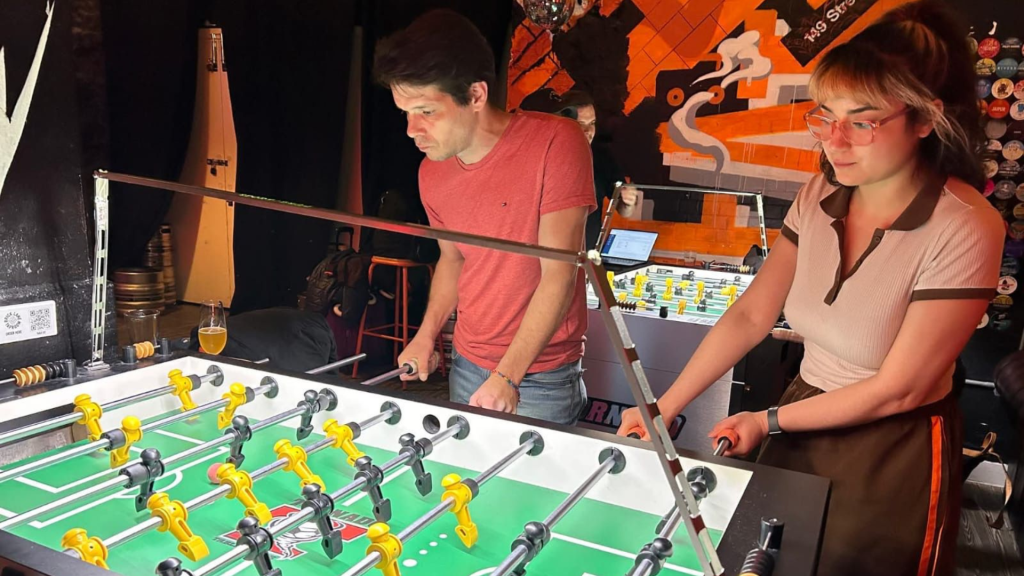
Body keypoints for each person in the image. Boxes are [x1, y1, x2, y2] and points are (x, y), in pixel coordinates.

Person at [617, 1, 1002, 574]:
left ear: (925, 119)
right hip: (801, 411)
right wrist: (664, 405)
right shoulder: (818, 195)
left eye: (862, 122)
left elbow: (897, 390)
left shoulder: (965, 225)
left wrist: (766, 421)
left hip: (891, 450)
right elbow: (752, 313)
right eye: (824, 116)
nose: (833, 141)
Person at [374, 9, 596, 425]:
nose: (411, 129)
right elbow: (453, 259)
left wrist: (508, 377)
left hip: (540, 376)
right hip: (468, 360)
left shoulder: (557, 143)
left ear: (475, 95)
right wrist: (426, 336)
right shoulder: (431, 170)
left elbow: (559, 274)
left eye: (426, 111)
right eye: (406, 113)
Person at [520, 89, 640, 250]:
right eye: (580, 124)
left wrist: (628, 201)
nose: (588, 131)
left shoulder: (602, 157)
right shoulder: (542, 155)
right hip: (545, 252)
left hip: (586, 254)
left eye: (592, 123)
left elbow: (624, 210)